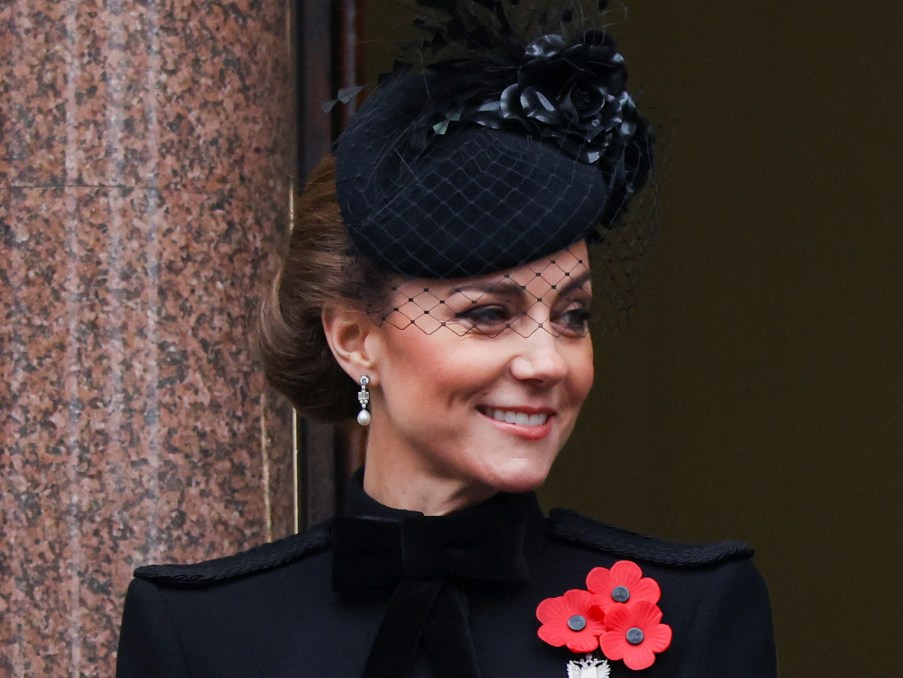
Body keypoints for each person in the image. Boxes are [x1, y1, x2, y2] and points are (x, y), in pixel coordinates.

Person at [116, 2, 777, 676]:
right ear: (354, 338)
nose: (549, 361)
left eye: (573, 315)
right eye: (488, 314)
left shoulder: (693, 613)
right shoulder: (201, 632)